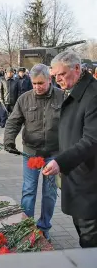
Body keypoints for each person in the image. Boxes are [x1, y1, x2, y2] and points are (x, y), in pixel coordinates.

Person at [42, 50, 97, 248]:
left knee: (90, 241)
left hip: (90, 184)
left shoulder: (92, 95)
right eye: (54, 76)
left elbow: (91, 140)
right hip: (76, 178)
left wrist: (60, 161)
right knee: (84, 236)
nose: (57, 80)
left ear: (77, 68)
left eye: (61, 74)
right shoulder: (75, 90)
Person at [4, 64, 64, 241]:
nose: (37, 87)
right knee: (29, 190)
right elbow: (13, 122)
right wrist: (8, 141)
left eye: (41, 83)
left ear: (49, 80)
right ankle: (26, 227)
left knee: (50, 192)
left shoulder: (62, 97)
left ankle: (44, 227)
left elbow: (71, 124)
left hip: (54, 154)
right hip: (31, 153)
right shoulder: (25, 99)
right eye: (34, 83)